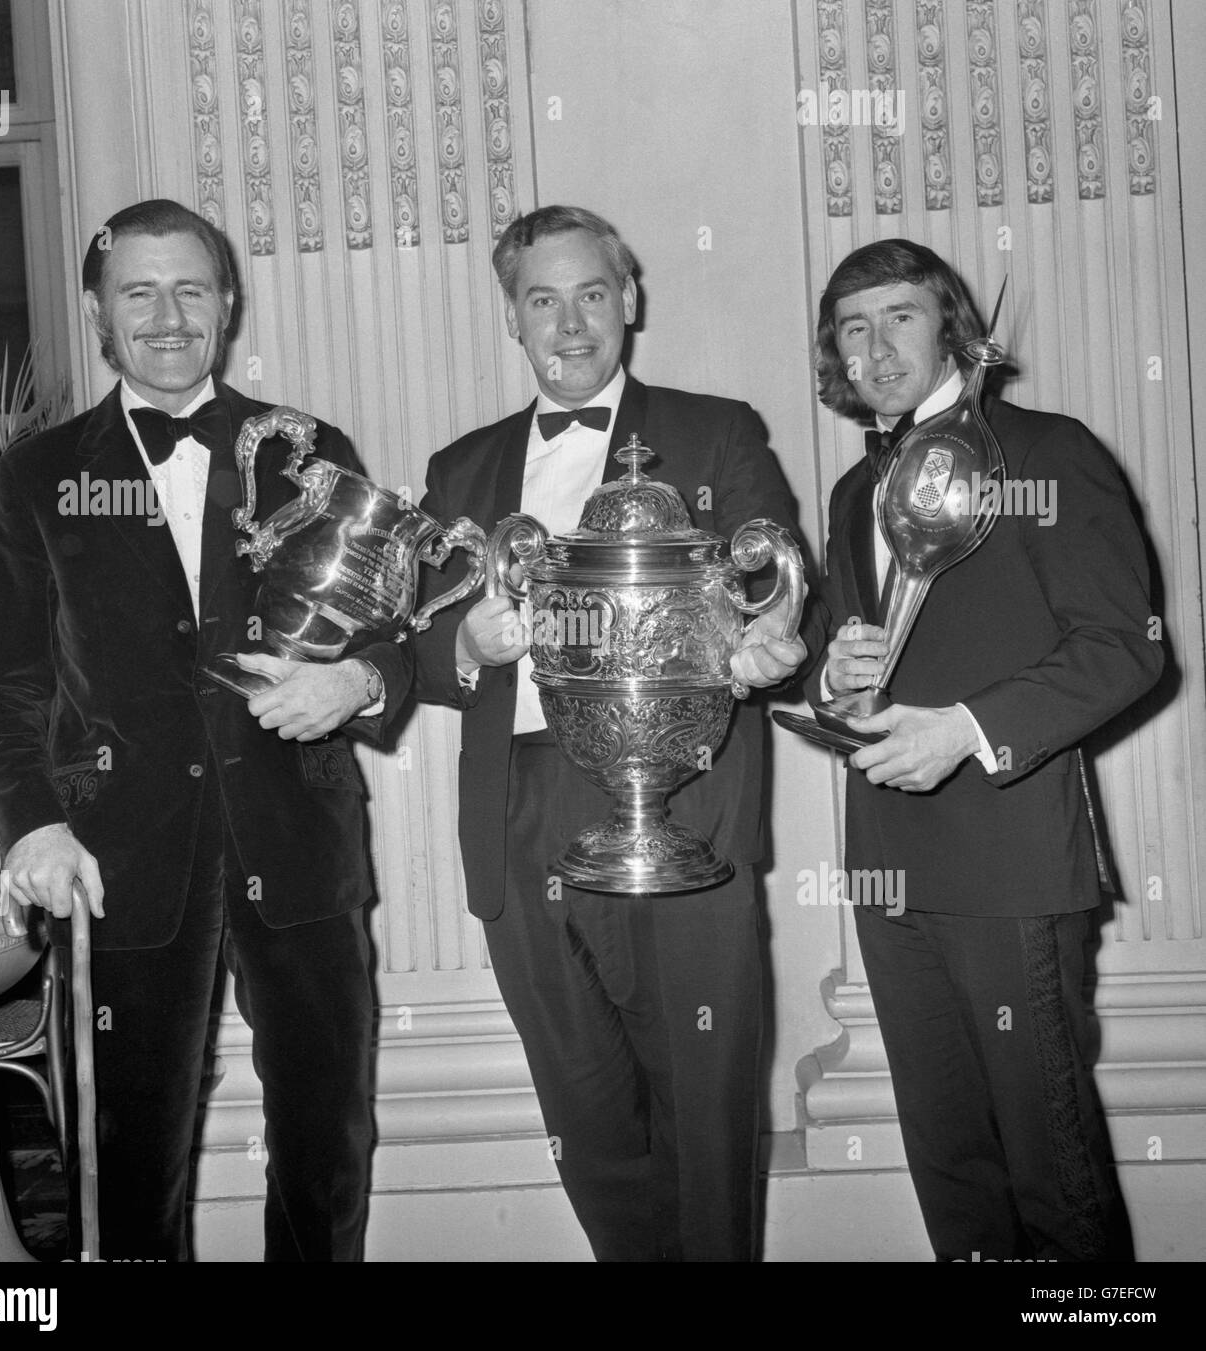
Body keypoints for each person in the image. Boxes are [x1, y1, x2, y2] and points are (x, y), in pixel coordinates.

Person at [0, 199, 409, 1261]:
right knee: (125, 1159)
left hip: (298, 844)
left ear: (228, 302)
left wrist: (356, 681)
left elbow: (396, 633)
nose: (168, 317)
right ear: (97, 312)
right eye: (139, 293)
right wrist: (31, 826)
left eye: (190, 289)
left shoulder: (308, 453)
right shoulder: (37, 475)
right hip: (115, 857)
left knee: (326, 1143)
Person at [415, 205, 806, 1261]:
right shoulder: (461, 469)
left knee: (705, 1115)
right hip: (522, 812)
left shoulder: (717, 430)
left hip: (685, 800)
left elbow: (775, 591)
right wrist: (467, 644)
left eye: (591, 293)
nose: (570, 322)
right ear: (512, 318)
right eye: (542, 300)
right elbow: (406, 650)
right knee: (586, 1124)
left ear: (628, 300)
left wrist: (768, 641)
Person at [805, 238, 1163, 1261]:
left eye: (900, 316)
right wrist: (833, 678)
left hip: (1009, 864)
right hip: (887, 868)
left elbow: (1127, 650)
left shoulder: (1046, 450)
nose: (875, 345)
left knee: (1050, 1178)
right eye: (852, 327)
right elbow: (858, 669)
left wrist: (964, 729)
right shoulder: (849, 494)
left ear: (952, 322)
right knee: (952, 1174)